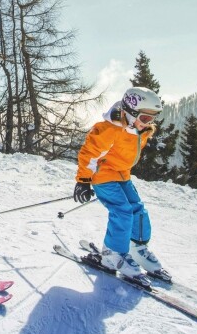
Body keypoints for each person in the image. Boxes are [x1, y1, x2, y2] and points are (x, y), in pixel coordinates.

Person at [73, 87, 170, 282]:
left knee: (138, 209)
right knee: (122, 210)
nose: (149, 123)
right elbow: (89, 154)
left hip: (122, 173)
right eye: (145, 118)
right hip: (103, 175)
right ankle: (113, 255)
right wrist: (83, 181)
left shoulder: (139, 127)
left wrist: (142, 125)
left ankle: (137, 248)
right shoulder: (110, 129)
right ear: (131, 112)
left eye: (152, 118)